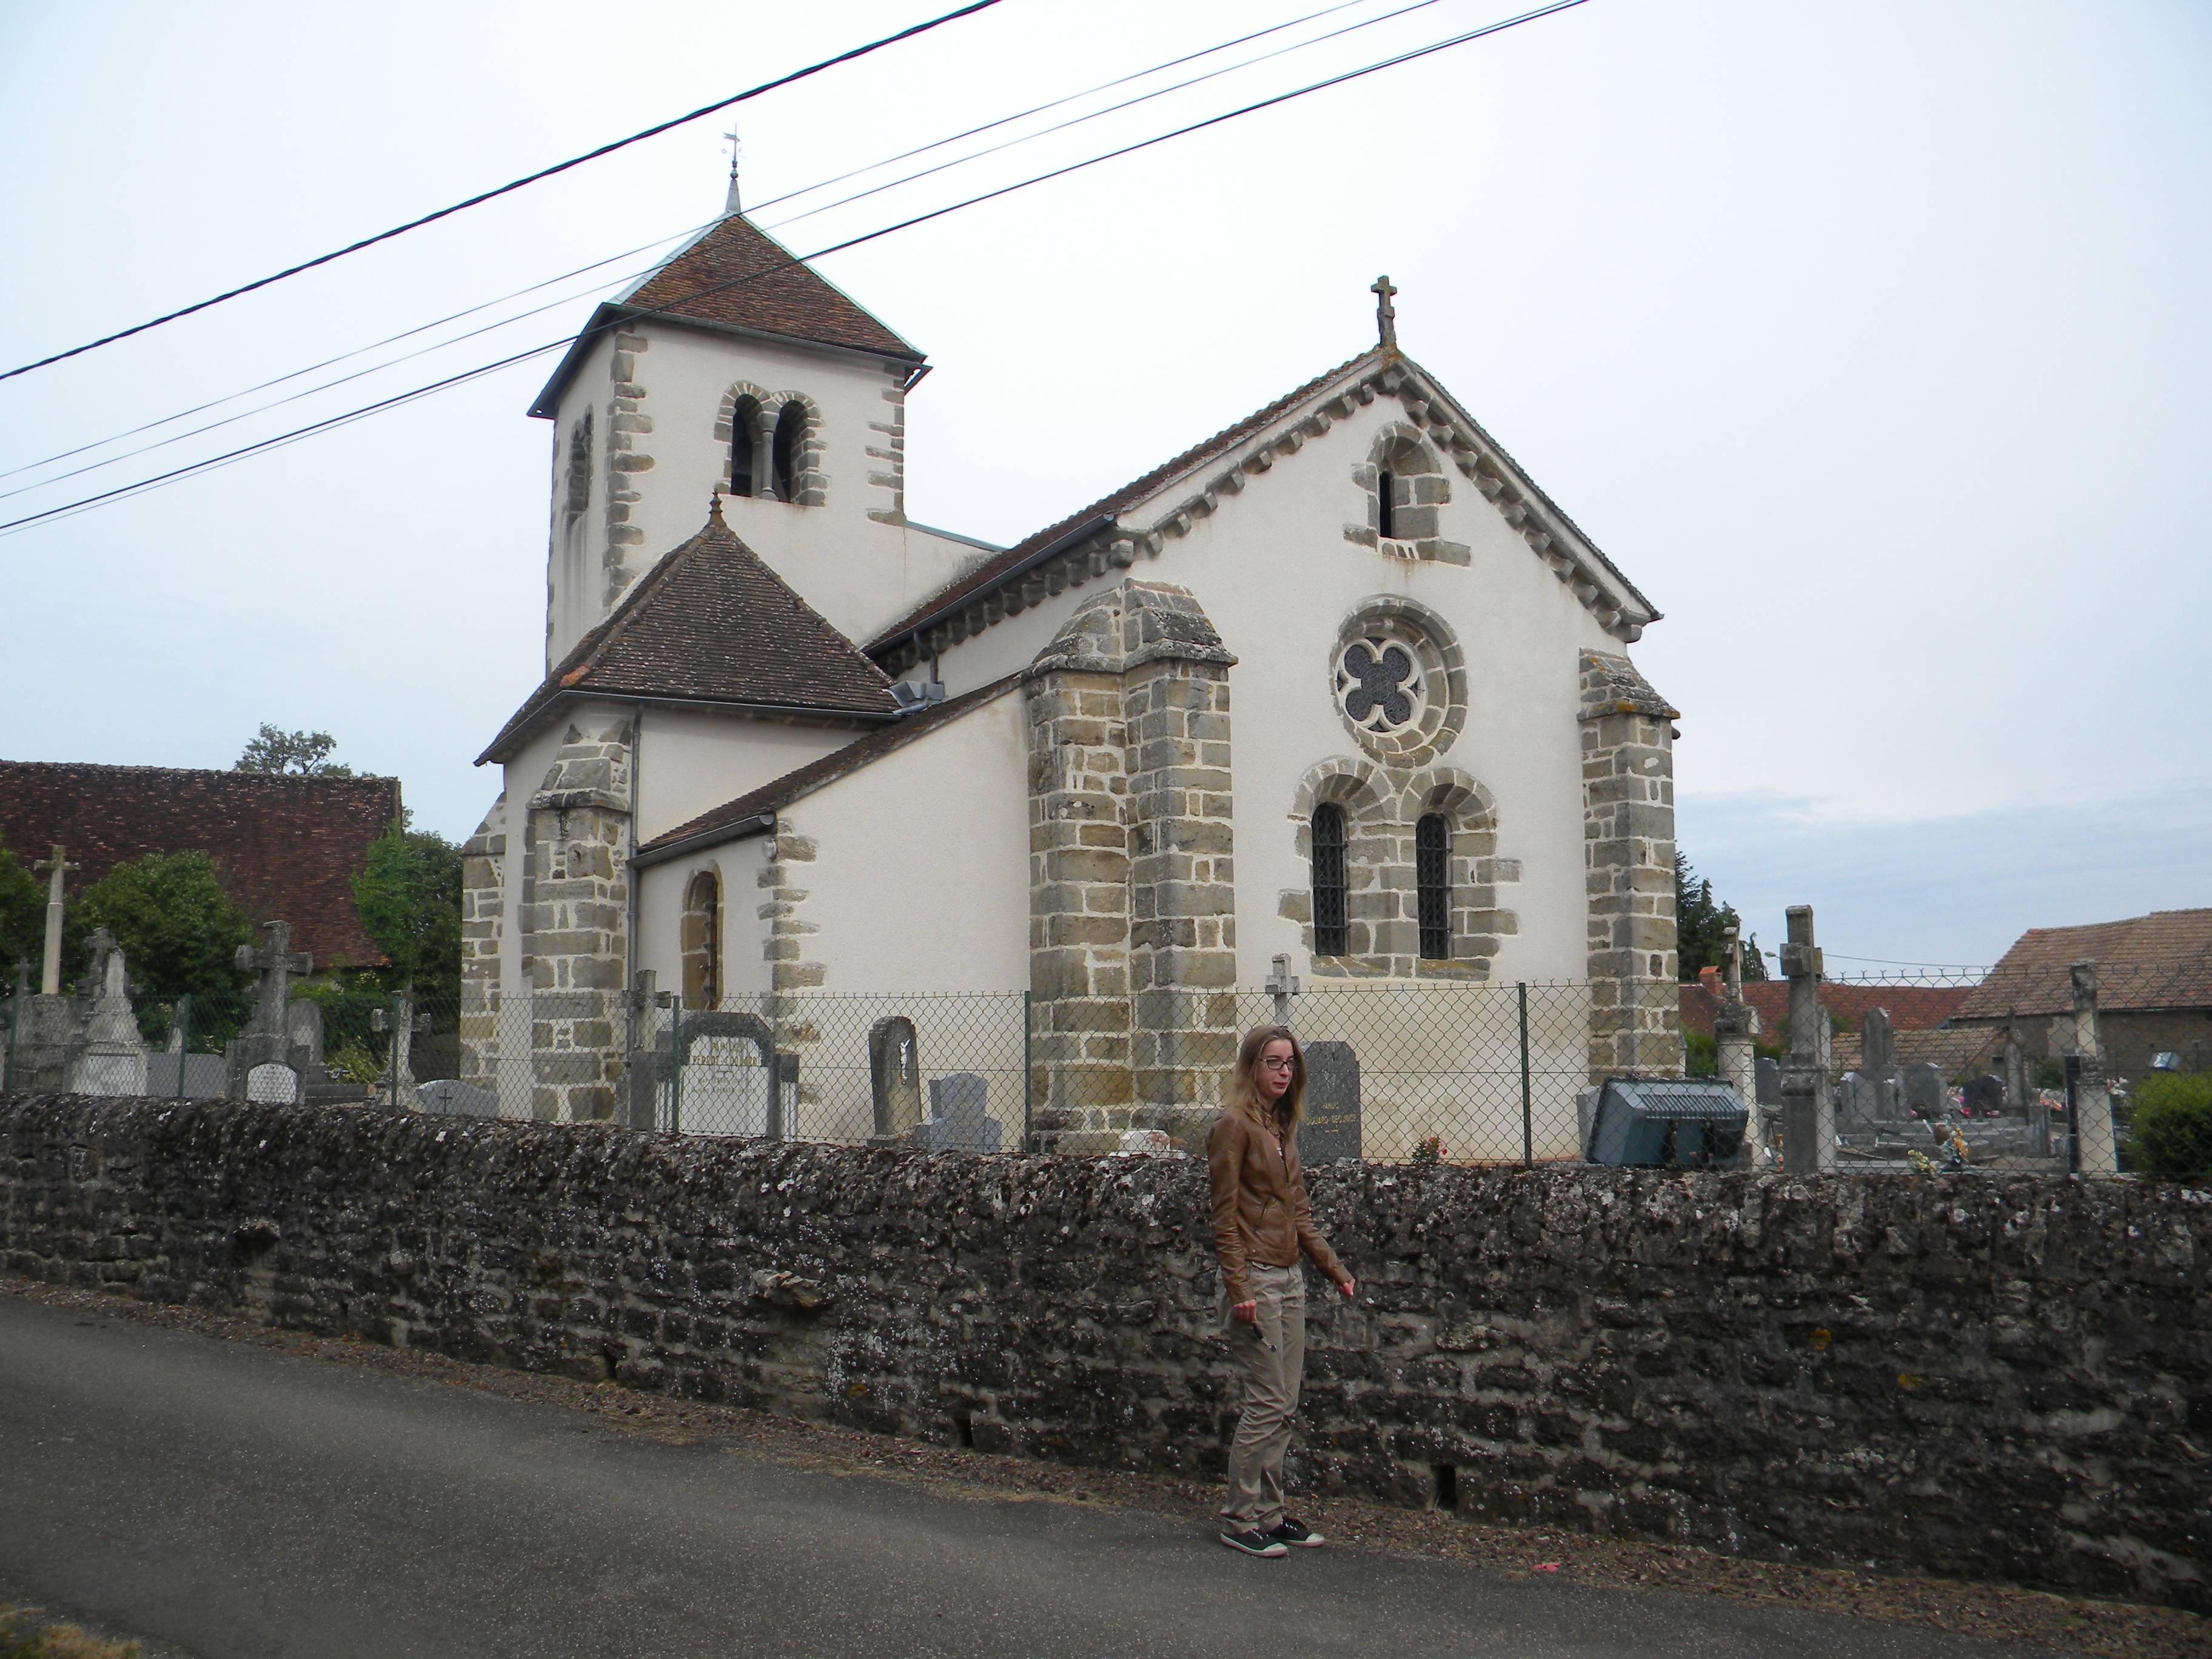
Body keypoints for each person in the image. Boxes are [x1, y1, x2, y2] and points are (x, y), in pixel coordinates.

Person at [1207, 1024, 1356, 1558]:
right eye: (1273, 1063)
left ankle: (1269, 1515)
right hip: (1254, 1278)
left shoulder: (1280, 1125)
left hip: (1289, 1275)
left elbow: (1299, 1211)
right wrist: (1238, 1286)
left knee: (1285, 1403)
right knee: (1266, 1401)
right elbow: (1223, 1219)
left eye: (1290, 1064)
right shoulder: (1234, 1127)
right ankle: (1239, 1517)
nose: (1284, 1073)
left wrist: (1334, 1270)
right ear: (1252, 1068)